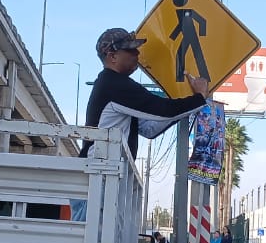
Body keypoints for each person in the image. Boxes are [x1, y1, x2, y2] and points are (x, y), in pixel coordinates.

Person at [81, 28, 210, 159]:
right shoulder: (114, 84)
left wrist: (189, 105)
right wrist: (199, 97)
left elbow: (149, 129)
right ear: (112, 56)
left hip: (104, 167)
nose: (137, 53)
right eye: (130, 50)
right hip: (99, 167)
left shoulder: (109, 85)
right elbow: (165, 110)